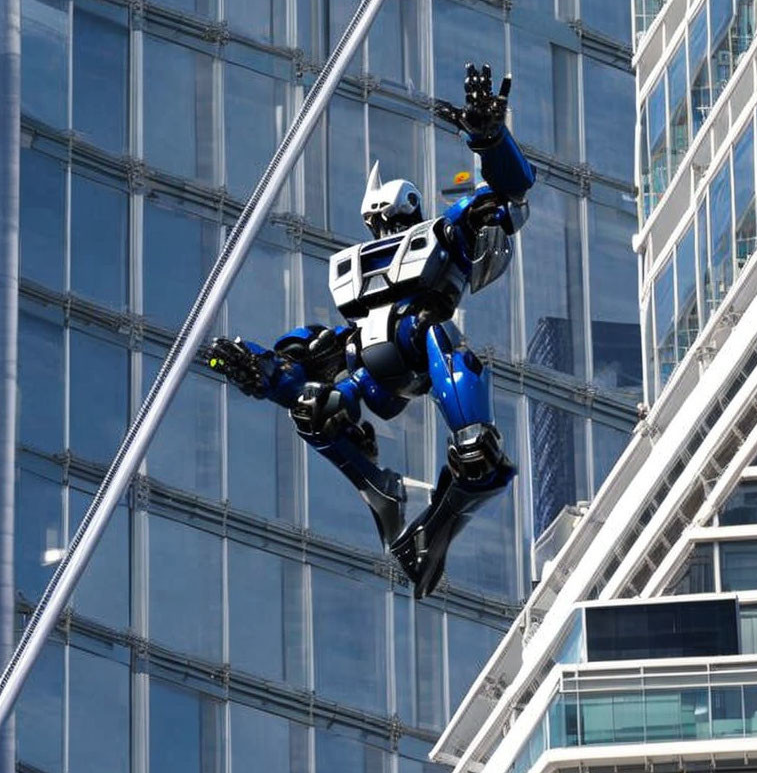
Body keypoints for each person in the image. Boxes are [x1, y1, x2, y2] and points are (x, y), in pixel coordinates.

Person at [209, 63, 535, 597]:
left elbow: (509, 197)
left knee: (447, 356)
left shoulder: (445, 230)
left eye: (388, 219)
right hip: (364, 363)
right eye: (375, 223)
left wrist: (489, 138)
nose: (381, 229)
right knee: (313, 402)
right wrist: (260, 367)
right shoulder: (354, 269)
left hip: (419, 340)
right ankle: (379, 490)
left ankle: (470, 450)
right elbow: (307, 363)